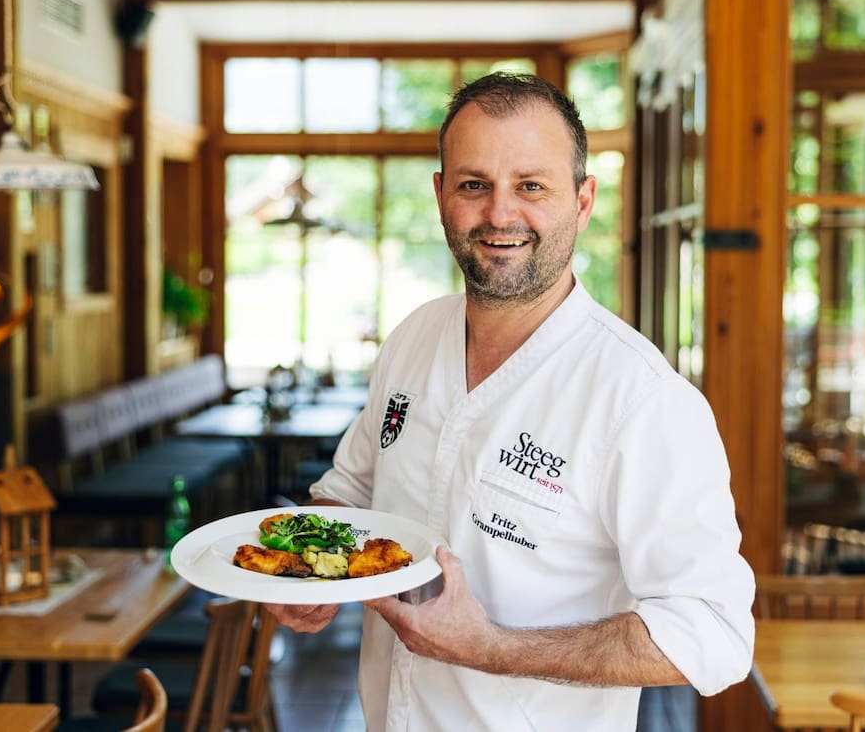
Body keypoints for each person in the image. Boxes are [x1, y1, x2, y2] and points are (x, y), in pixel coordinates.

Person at [269, 73, 754, 730]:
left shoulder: (641, 399)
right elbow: (351, 490)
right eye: (474, 185)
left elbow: (716, 632)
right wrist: (309, 569)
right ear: (441, 195)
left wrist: (488, 647)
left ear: (583, 201)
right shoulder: (413, 339)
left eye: (531, 186)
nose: (500, 214)